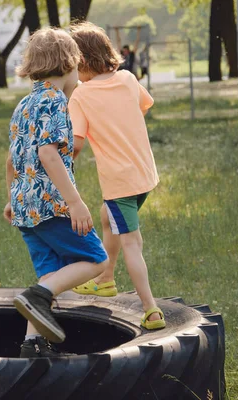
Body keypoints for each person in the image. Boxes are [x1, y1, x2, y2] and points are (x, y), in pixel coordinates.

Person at [4, 27, 109, 357]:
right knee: (96, 260)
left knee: (50, 273)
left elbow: (12, 158)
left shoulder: (25, 103)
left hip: (26, 208)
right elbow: (48, 154)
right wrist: (75, 203)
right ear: (69, 65)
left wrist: (12, 197)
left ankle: (33, 344)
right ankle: (38, 295)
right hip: (51, 205)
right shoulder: (55, 101)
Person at [68, 22, 165, 330]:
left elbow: (77, 143)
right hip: (144, 174)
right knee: (107, 217)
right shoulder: (126, 78)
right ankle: (105, 278)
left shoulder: (81, 97)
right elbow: (144, 105)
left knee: (131, 242)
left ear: (80, 62)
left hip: (120, 183)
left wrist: (57, 160)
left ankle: (151, 309)